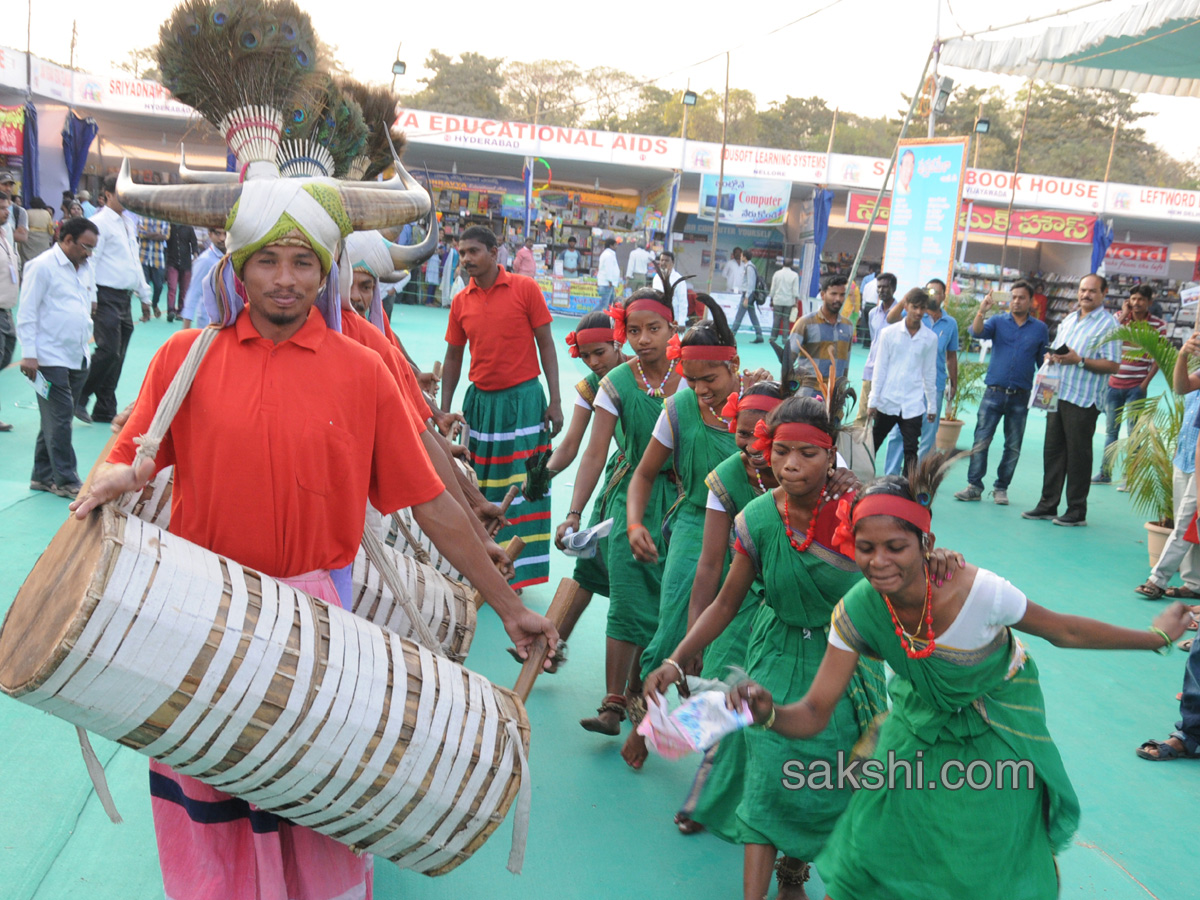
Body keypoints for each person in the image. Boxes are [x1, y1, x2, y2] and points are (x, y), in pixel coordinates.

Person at [72, 168, 558, 900]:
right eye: (267, 259)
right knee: (208, 805)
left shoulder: (362, 373)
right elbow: (129, 453)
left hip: (320, 630)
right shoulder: (185, 357)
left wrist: (510, 602)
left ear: (327, 270)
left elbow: (431, 505)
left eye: (304, 262)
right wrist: (106, 480)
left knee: (319, 804)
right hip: (196, 619)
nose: (285, 279)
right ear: (238, 267)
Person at [731, 454, 1192, 899]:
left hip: (995, 736)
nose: (879, 561)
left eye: (896, 547)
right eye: (866, 548)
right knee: (867, 853)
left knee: (982, 866)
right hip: (916, 730)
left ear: (926, 545)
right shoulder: (857, 610)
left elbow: (1064, 631)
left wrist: (1156, 636)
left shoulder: (980, 592)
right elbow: (813, 711)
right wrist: (769, 712)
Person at [642, 393, 889, 900]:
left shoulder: (856, 514)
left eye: (807, 454)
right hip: (773, 655)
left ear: (830, 455)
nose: (791, 465)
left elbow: (905, 575)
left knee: (824, 778)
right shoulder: (756, 517)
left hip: (842, 660)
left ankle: (793, 873)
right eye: (780, 452)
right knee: (767, 776)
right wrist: (674, 657)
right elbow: (726, 603)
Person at [623, 297, 745, 769]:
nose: (698, 390)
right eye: (690, 380)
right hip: (697, 524)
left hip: (756, 535)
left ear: (732, 366)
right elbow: (643, 473)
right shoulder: (677, 408)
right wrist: (635, 523)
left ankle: (720, 757)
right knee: (674, 632)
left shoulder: (761, 408)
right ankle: (642, 725)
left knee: (731, 647)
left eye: (708, 380)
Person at [561, 288, 679, 736]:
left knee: (665, 601)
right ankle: (614, 702)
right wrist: (573, 513)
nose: (644, 339)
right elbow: (590, 453)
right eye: (634, 331)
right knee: (629, 594)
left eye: (654, 329)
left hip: (684, 504)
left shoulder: (695, 379)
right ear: (623, 334)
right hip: (630, 497)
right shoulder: (615, 383)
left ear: (674, 330)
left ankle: (638, 690)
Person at [671, 381, 783, 837]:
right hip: (738, 601)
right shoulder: (726, 477)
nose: (753, 446)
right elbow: (710, 564)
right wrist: (695, 636)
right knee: (722, 693)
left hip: (799, 607)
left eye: (764, 435)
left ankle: (769, 798)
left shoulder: (821, 472)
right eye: (742, 434)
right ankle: (706, 797)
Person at [441, 224, 563, 589]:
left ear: (495, 253)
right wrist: (444, 412)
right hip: (480, 405)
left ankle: (516, 574)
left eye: (473, 252)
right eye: (462, 253)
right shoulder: (461, 301)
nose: (466, 260)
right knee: (477, 485)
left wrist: (555, 401)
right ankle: (479, 568)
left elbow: (547, 346)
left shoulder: (525, 289)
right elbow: (452, 358)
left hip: (524, 403)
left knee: (524, 485)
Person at [543, 311, 630, 667]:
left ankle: (630, 690)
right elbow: (572, 447)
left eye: (600, 353)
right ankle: (550, 646)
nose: (593, 363)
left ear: (617, 343)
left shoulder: (648, 377)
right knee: (589, 568)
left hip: (667, 489)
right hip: (620, 483)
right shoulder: (593, 386)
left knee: (635, 586)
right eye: (585, 356)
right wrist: (539, 475)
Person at [1022, 273, 1121, 527]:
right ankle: (1047, 504)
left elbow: (1112, 365)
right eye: (1082, 290)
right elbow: (1058, 346)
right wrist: (1052, 357)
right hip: (1057, 393)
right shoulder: (1069, 319)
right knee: (1052, 452)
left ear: (1103, 294)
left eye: (1092, 291)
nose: (1085, 295)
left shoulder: (1109, 326)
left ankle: (1077, 511)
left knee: (1078, 456)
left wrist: (1080, 361)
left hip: (1084, 399)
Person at [15, 217, 99, 496]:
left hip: (77, 355)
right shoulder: (41, 267)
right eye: (85, 246)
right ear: (66, 240)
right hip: (48, 357)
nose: (88, 253)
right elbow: (26, 313)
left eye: (92, 248)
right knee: (61, 418)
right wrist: (29, 355)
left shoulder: (85, 267)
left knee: (53, 420)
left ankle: (41, 475)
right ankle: (66, 480)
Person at [956, 280, 1050, 505]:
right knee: (981, 439)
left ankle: (1001, 488)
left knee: (1013, 445)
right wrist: (982, 310)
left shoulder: (1040, 329)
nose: (1016, 301)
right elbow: (977, 332)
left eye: (1021, 297)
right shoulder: (997, 321)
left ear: (1030, 301)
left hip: (1021, 396)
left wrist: (1047, 391)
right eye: (1013, 297)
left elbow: (1043, 364)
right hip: (993, 394)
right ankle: (974, 486)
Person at [78, 175, 151, 424]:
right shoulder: (98, 223)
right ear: (107, 195)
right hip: (105, 294)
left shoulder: (127, 223)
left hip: (124, 296)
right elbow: (90, 261)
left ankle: (105, 407)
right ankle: (79, 395)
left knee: (118, 354)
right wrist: (91, 296)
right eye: (121, 194)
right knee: (108, 351)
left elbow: (133, 261)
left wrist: (145, 296)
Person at [882, 277, 958, 471]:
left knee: (928, 435)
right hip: (908, 385)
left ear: (943, 296)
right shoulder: (914, 315)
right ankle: (891, 474)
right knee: (898, 432)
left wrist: (954, 383)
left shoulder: (950, 324)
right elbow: (890, 319)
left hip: (935, 386)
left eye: (936, 292)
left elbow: (951, 356)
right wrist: (906, 298)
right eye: (928, 291)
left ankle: (916, 478)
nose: (932, 295)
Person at [1135, 374, 1200, 600]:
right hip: (1185, 458)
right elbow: (1182, 387)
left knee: (1184, 523)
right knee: (1191, 524)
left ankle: (1157, 580)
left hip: (1198, 464)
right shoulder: (1197, 374)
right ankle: (1194, 583)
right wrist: (1182, 354)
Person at [1094, 284, 1167, 485]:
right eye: (1133, 299)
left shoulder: (1158, 325)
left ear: (1150, 303)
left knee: (1134, 433)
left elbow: (1158, 357)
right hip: (1113, 385)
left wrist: (1144, 384)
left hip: (1137, 387)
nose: (1136, 303)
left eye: (1141, 299)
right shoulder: (1119, 319)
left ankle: (1130, 477)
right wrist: (1123, 314)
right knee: (1111, 432)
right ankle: (1105, 473)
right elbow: (1105, 336)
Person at [868, 288, 937, 477]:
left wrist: (932, 406)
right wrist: (873, 401)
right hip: (887, 401)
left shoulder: (930, 338)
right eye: (914, 307)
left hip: (913, 404)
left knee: (911, 451)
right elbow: (880, 368)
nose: (918, 312)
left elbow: (929, 373)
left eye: (922, 308)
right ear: (905, 306)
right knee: (872, 444)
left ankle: (908, 492)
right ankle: (860, 481)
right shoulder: (888, 333)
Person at [787, 274, 852, 383]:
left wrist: (842, 388)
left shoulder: (848, 326)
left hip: (835, 394)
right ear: (822, 295)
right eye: (833, 294)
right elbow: (788, 359)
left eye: (842, 295)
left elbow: (845, 364)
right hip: (808, 392)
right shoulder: (805, 323)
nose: (838, 299)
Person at [855, 272, 897, 425]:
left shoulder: (901, 314)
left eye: (885, 287)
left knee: (882, 418)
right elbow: (875, 340)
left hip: (889, 373)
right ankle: (856, 447)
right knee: (862, 415)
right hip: (871, 370)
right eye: (879, 287)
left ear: (894, 288)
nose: (881, 290)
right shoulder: (873, 313)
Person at [179, 227, 225, 329]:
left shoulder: (230, 257)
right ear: (210, 234)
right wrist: (186, 329)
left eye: (225, 233)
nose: (222, 238)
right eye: (218, 233)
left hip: (227, 321)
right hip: (209, 323)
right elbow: (193, 293)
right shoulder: (205, 260)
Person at [0, 189, 18, 432]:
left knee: (6, 356)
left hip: (6, 310)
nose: (6, 212)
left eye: (7, 208)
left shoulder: (5, 234)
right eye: (2, 208)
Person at [138, 214, 170, 320]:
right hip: (143, 257)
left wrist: (148, 234)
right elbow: (139, 233)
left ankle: (154, 304)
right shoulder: (142, 217)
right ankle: (145, 314)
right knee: (144, 286)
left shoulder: (164, 219)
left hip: (157, 258)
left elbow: (165, 236)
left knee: (159, 285)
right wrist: (157, 234)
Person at [164, 222, 198, 323]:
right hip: (172, 261)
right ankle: (171, 311)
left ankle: (181, 311)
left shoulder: (189, 227)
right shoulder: (168, 227)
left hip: (186, 262)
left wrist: (195, 256)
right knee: (172, 287)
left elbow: (194, 243)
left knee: (184, 289)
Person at [729, 248, 764, 343]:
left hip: (748, 294)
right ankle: (759, 335)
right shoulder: (749, 266)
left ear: (744, 257)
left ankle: (731, 336)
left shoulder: (749, 267)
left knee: (739, 315)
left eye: (741, 255)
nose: (740, 257)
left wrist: (747, 297)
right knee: (752, 315)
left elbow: (751, 284)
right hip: (748, 294)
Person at [768, 257, 801, 346]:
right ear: (792, 265)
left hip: (778, 300)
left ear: (782, 263)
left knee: (776, 319)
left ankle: (773, 338)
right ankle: (785, 339)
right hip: (789, 301)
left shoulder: (777, 274)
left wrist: (771, 298)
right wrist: (796, 302)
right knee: (786, 320)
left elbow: (773, 288)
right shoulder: (794, 275)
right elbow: (795, 291)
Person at [650, 250, 689, 325]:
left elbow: (683, 302)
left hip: (674, 319)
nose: (663, 263)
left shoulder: (678, 279)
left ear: (673, 263)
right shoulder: (656, 278)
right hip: (659, 317)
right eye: (662, 260)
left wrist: (681, 322)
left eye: (667, 260)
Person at [20, 196, 56, 265]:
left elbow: (23, 227)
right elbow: (50, 228)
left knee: (28, 258)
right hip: (43, 239)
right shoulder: (46, 213)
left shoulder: (27, 212)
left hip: (30, 239)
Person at [596, 237, 620, 311]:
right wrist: (610, 281)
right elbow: (608, 269)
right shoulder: (608, 255)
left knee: (610, 305)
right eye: (615, 245)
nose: (617, 247)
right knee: (604, 304)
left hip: (609, 284)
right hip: (607, 283)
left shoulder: (609, 254)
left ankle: (608, 320)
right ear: (611, 246)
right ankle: (590, 317)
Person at [439, 234, 459, 305]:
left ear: (455, 241)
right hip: (455, 268)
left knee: (450, 284)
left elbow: (446, 260)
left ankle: (449, 301)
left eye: (453, 241)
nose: (452, 242)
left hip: (450, 269)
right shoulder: (459, 250)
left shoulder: (453, 250)